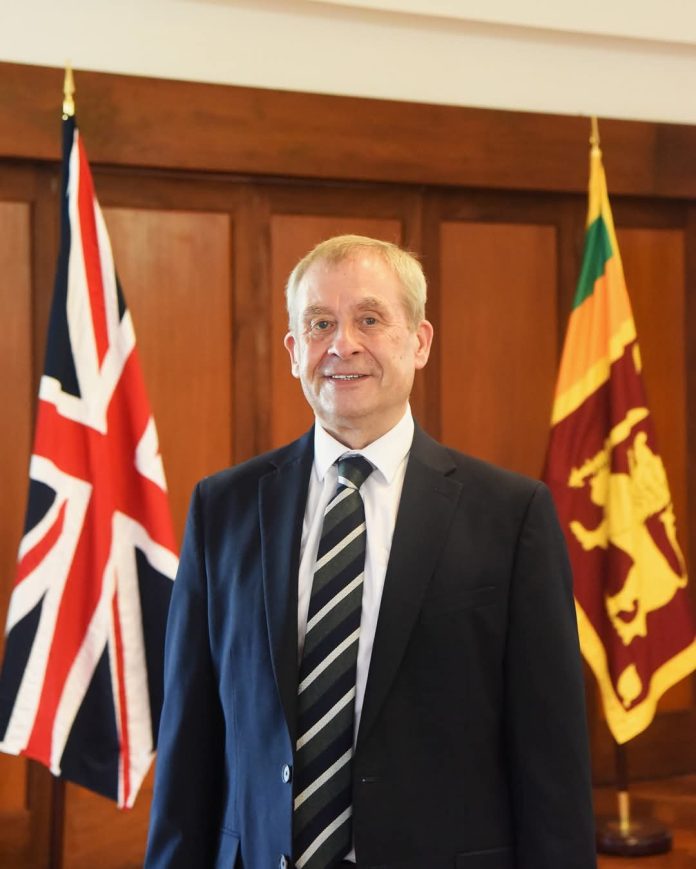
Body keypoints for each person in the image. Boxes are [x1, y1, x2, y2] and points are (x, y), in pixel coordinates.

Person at [145, 235, 596, 869]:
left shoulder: (511, 516)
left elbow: (552, 758)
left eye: (370, 319)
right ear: (293, 351)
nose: (342, 345)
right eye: (319, 324)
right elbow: (188, 741)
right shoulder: (222, 508)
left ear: (420, 341)